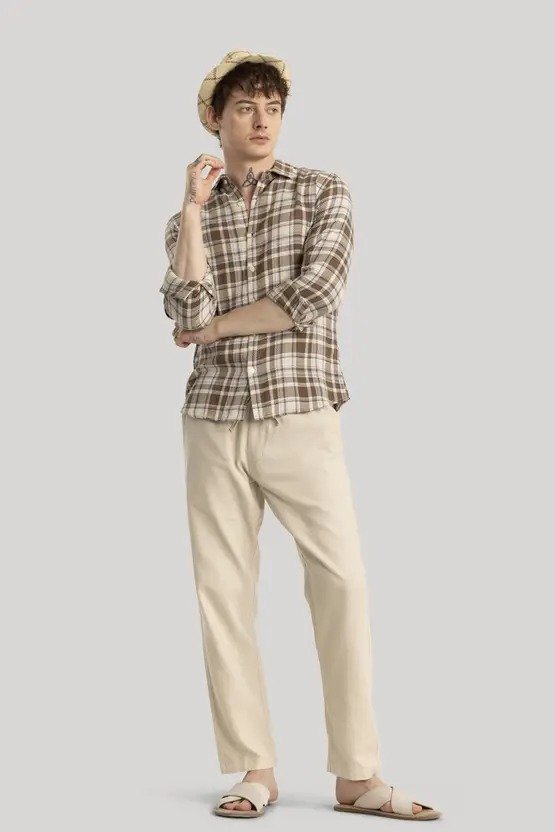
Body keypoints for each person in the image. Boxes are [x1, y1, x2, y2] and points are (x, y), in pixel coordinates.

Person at [159, 49, 442, 821]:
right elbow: (182, 314)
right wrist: (191, 212)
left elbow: (312, 295)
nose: (261, 121)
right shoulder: (187, 221)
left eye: (272, 107)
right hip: (213, 418)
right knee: (223, 595)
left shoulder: (323, 190)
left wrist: (214, 326)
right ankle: (254, 769)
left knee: (340, 582)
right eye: (244, 107)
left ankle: (357, 775)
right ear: (214, 118)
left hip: (299, 411)